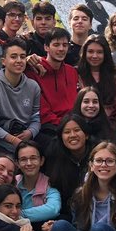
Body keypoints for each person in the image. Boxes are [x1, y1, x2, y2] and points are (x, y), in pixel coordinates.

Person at [26, 28, 79, 160]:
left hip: (74, 123)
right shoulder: (35, 71)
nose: (61, 49)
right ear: (46, 47)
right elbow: (43, 112)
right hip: (50, 128)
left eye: (65, 45)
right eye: (56, 45)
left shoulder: (72, 71)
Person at [0, 37, 41, 154]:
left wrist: (30, 132)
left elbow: (36, 119)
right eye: (13, 57)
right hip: (0, 142)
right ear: (3, 61)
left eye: (22, 57)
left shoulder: (33, 86)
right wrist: (13, 140)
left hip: (26, 141)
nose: (19, 60)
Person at [76, 35, 116, 120]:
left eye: (99, 52)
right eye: (90, 51)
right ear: (84, 53)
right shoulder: (76, 74)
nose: (95, 56)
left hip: (110, 123)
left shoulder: (115, 75)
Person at [15, 140, 61, 231]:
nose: (29, 163)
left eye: (33, 158)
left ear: (41, 161)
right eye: (23, 159)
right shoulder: (12, 182)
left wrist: (18, 214)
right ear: (17, 163)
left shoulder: (50, 184)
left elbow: (53, 209)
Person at [51, 116, 91, 222]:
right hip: (68, 216)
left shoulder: (98, 157)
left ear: (86, 135)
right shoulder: (55, 159)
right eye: (67, 132)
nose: (72, 135)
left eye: (77, 130)